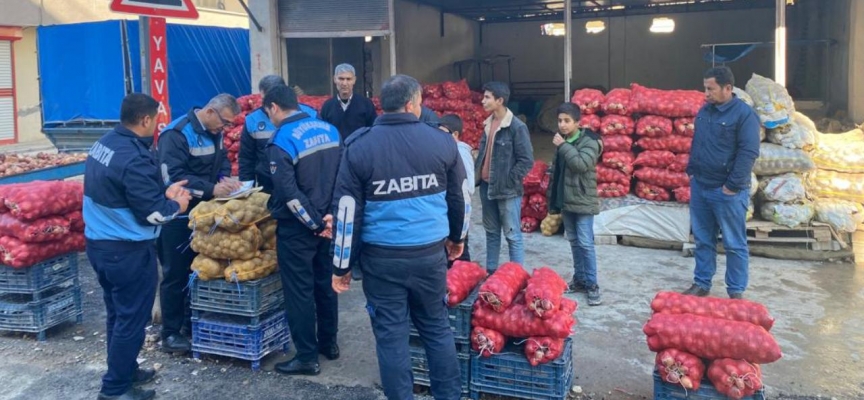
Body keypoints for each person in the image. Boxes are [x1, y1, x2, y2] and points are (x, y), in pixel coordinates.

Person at [330, 74, 468, 400]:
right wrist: (457, 237)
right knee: (436, 327)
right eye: (420, 103)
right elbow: (460, 196)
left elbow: (347, 212)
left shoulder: (359, 146)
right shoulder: (443, 142)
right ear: (411, 104)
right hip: (429, 256)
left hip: (381, 261)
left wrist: (341, 265)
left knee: (391, 336)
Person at [84, 93, 192, 400]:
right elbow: (153, 213)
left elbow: (127, 192)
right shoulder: (134, 157)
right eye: (156, 120)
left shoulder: (104, 143)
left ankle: (125, 369)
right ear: (145, 120)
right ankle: (115, 389)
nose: (156, 126)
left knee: (118, 314)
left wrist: (163, 192)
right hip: (127, 250)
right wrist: (177, 205)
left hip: (100, 245)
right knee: (132, 319)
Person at [262, 84, 342, 376]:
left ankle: (307, 356)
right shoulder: (330, 130)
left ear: (273, 107)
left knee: (299, 292)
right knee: (325, 283)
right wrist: (329, 218)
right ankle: (329, 344)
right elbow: (341, 177)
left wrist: (314, 223)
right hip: (328, 224)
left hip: (300, 230)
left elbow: (288, 192)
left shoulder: (280, 140)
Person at [157, 94, 243, 354]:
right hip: (178, 215)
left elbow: (222, 160)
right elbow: (173, 178)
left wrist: (225, 179)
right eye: (225, 123)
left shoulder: (214, 131)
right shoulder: (177, 135)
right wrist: (211, 189)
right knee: (175, 273)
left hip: (204, 215)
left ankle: (190, 322)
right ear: (209, 112)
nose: (225, 130)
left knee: (198, 270)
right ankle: (170, 334)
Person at [684, 66, 760, 299]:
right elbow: (698, 143)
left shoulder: (744, 114)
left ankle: (736, 290)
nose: (706, 93)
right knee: (703, 239)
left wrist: (733, 186)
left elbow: (748, 152)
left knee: (734, 243)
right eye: (705, 88)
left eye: (711, 88)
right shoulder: (705, 112)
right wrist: (692, 172)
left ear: (728, 88)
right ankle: (702, 282)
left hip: (727, 191)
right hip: (701, 186)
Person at [546, 103, 603, 306]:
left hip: (583, 201)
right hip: (567, 201)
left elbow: (581, 165)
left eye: (567, 121)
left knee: (586, 244)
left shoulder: (590, 142)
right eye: (560, 120)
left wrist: (563, 146)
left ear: (578, 123)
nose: (562, 124)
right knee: (574, 242)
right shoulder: (565, 141)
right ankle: (580, 280)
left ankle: (593, 285)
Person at [475, 81, 534, 272]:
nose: (482, 101)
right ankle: (491, 272)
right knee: (491, 233)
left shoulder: (516, 127)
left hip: (507, 191)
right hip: (486, 187)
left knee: (512, 235)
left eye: (487, 97)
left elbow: (526, 161)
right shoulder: (488, 123)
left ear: (499, 100)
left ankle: (516, 277)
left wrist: (509, 180)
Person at [239, 75, 318, 193]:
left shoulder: (310, 114)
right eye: (266, 100)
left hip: (303, 183)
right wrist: (246, 187)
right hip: (268, 185)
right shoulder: (252, 120)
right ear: (261, 94)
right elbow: (246, 158)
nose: (271, 106)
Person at [439, 114, 475, 264]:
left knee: (460, 255)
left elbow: (466, 188)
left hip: (458, 210)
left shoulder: (460, 152)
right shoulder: (448, 150)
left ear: (455, 134)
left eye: (443, 133)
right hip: (450, 210)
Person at [319, 63, 377, 142]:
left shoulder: (366, 104)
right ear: (334, 79)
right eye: (341, 79)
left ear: (354, 80)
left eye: (348, 79)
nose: (344, 83)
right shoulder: (327, 106)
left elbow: (373, 131)